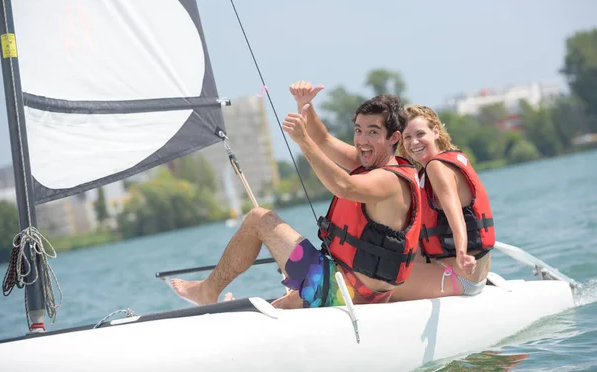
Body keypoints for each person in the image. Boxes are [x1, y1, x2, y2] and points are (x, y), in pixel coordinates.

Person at [170, 82, 421, 309]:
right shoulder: (373, 163)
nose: (362, 140)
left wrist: (302, 142)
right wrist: (306, 106)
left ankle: (208, 290)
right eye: (358, 130)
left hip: (345, 292)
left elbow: (344, 185)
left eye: (373, 132)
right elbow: (322, 139)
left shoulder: (389, 180)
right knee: (281, 307)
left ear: (394, 138)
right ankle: (236, 313)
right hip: (353, 289)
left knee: (260, 219)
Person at [390, 105, 495, 301]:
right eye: (407, 137)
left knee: (372, 287)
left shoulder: (436, 167)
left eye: (420, 134)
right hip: (471, 273)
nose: (414, 142)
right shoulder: (452, 159)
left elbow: (456, 218)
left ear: (436, 131)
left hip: (459, 276)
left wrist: (462, 252)